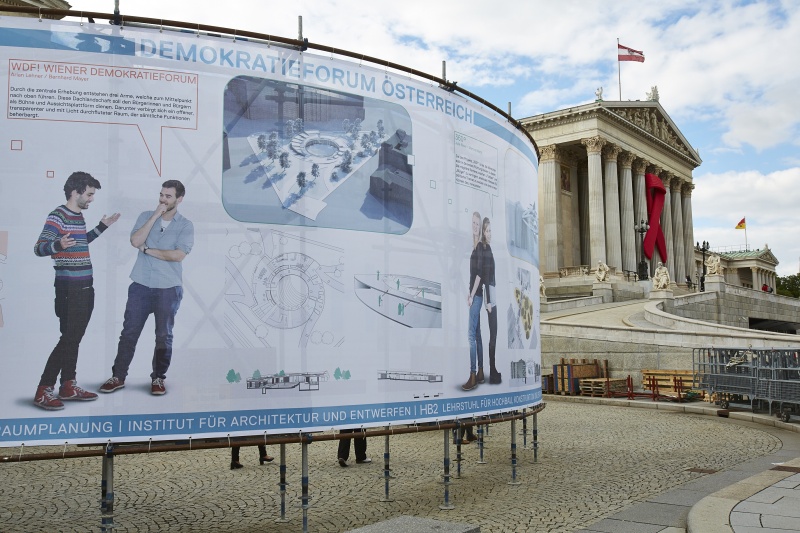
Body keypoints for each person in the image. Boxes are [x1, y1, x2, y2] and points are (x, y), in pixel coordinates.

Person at [33, 172, 120, 410]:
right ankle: (43, 389)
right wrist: (57, 244)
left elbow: (81, 242)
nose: (92, 199)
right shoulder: (58, 216)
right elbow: (39, 248)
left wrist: (102, 227)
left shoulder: (78, 216)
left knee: (74, 338)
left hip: (85, 286)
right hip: (69, 288)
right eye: (89, 194)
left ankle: (68, 385)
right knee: (69, 339)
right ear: (75, 192)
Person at [99, 180, 194, 396]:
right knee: (129, 333)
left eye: (168, 196)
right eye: (161, 195)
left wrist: (148, 250)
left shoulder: (185, 225)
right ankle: (118, 377)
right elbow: (135, 241)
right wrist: (155, 216)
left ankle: (158, 378)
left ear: (179, 199)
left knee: (163, 335)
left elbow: (178, 255)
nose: (163, 199)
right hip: (140, 285)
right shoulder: (145, 216)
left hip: (168, 288)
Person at [463, 211, 484, 391]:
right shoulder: (475, 246)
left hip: (476, 296)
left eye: (477, 224)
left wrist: (471, 295)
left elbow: (479, 274)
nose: (475, 226)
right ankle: (481, 372)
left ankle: (472, 375)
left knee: (471, 336)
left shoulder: (479, 248)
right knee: (477, 335)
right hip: (475, 294)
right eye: (473, 223)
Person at [481, 217, 501, 384]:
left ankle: (493, 368)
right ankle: (492, 370)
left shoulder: (488, 248)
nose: (489, 233)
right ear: (483, 232)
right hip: (490, 295)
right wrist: (488, 301)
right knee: (493, 333)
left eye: (490, 230)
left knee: (494, 333)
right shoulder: (486, 249)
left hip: (491, 293)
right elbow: (486, 277)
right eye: (487, 231)